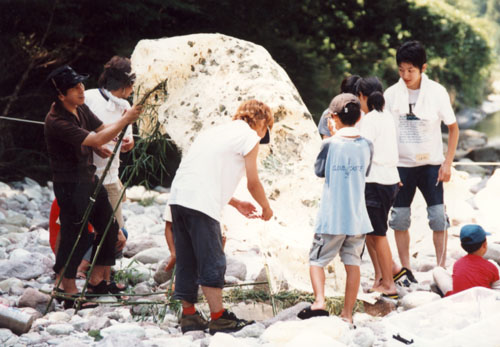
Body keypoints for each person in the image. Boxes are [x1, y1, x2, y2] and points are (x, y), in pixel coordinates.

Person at [168, 99, 274, 334]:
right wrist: (266, 207)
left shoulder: (214, 132)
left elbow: (204, 173)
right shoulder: (249, 136)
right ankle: (219, 317)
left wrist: (235, 203)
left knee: (187, 259)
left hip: (178, 197)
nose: (264, 134)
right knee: (212, 259)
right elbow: (253, 182)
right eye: (266, 128)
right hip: (201, 204)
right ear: (262, 122)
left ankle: (189, 315)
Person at [44, 65, 141, 308]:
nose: (81, 89)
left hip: (89, 179)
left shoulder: (81, 108)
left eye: (81, 84)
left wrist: (122, 139)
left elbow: (101, 131)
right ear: (60, 95)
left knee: (110, 228)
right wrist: (126, 119)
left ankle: (97, 281)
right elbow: (96, 139)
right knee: (77, 234)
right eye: (74, 87)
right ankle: (68, 290)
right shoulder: (56, 120)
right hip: (69, 184)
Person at [385, 41, 459, 278]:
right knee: (399, 218)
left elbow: (453, 128)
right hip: (402, 166)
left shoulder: (437, 92)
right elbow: (384, 132)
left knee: (438, 217)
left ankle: (441, 266)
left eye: (411, 70)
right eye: (401, 70)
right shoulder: (390, 94)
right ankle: (406, 267)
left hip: (431, 165)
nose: (405, 75)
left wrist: (447, 163)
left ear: (423, 68)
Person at [299, 93, 373, 324]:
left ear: (333, 117)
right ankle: (347, 315)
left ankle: (319, 302)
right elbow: (365, 172)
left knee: (316, 261)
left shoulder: (329, 144)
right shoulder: (368, 145)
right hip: (358, 218)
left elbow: (320, 171)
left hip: (332, 218)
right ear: (359, 117)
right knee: (353, 265)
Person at [75, 56, 135, 293]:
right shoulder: (88, 97)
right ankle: (80, 273)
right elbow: (77, 132)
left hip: (112, 176)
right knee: (96, 230)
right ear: (124, 82)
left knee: (116, 232)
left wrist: (128, 142)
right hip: (87, 175)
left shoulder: (126, 106)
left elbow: (126, 137)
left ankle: (104, 280)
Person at [356, 77, 400, 298]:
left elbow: (364, 151)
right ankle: (384, 279)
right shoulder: (387, 117)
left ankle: (389, 285)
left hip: (376, 181)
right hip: (390, 180)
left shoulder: (370, 119)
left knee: (379, 234)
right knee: (375, 233)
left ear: (363, 97)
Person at [433, 224, 500, 296]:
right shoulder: (491, 265)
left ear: (462, 246)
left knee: (437, 270)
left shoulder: (457, 264)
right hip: (483, 301)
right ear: (484, 245)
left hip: (459, 301)